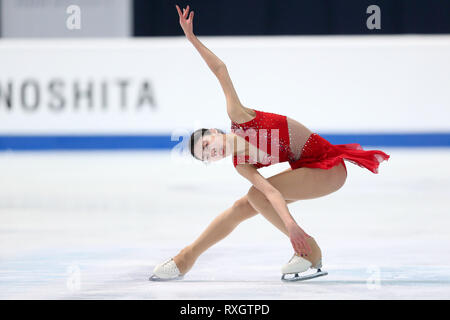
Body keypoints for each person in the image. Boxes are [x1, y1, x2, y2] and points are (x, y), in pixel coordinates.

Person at [150, 5, 390, 281]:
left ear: (214, 132)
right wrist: (291, 227)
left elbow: (220, 69)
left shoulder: (239, 117)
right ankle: (186, 258)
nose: (212, 152)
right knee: (244, 206)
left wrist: (192, 39)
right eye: (207, 157)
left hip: (329, 169)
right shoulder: (241, 164)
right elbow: (272, 194)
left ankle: (308, 251)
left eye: (206, 145)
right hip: (312, 171)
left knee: (253, 197)